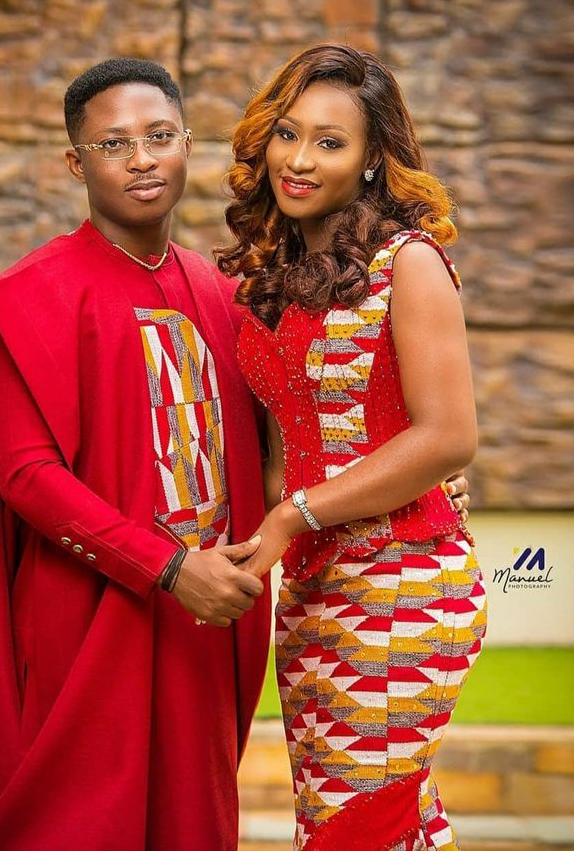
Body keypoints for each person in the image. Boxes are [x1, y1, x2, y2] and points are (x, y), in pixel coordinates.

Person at [0, 58, 273, 851]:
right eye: (114, 143)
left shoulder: (223, 295)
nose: (142, 158)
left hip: (203, 621)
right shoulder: (32, 294)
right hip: (87, 613)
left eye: (159, 135)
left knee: (190, 824)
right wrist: (168, 567)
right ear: (77, 163)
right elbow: (27, 476)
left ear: (187, 144)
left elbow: (281, 440)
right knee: (76, 825)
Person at [218, 44, 487, 851]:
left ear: (373, 159)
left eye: (329, 142)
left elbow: (449, 434)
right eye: (288, 134)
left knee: (356, 829)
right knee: (369, 820)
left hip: (402, 581)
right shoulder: (273, 279)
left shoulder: (409, 263)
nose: (299, 160)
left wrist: (292, 516)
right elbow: (285, 453)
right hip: (312, 590)